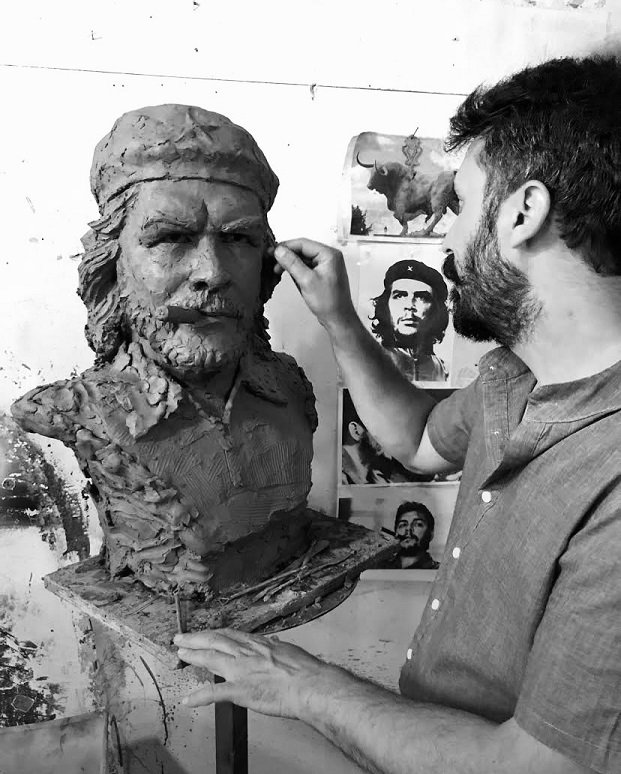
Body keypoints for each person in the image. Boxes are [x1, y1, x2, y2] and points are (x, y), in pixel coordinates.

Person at [175, 55, 621, 773]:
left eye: (461, 205)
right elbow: (414, 438)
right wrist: (339, 319)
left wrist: (304, 687)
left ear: (523, 213)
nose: (447, 238)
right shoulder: (514, 375)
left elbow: (535, 769)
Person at [11, 105, 318, 598]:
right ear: (112, 263)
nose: (211, 272)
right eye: (171, 238)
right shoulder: (81, 412)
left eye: (238, 239)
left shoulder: (291, 389)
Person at [369, 259, 449, 382]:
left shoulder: (440, 368)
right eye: (400, 296)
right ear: (386, 306)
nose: (409, 305)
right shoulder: (369, 360)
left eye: (421, 297)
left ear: (436, 310)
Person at [386, 501, 440, 569]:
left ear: (431, 534)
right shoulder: (379, 568)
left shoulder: (441, 571)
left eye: (418, 524)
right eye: (403, 525)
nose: (408, 529)